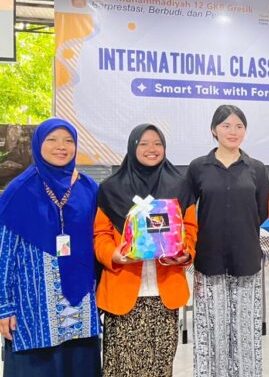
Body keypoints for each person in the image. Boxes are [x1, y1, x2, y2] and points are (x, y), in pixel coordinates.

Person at [0, 118, 101, 376]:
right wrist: (4, 307)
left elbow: (101, 238)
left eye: (68, 140)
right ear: (38, 144)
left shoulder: (88, 188)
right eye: (52, 140)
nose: (61, 147)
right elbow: (4, 254)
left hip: (81, 308)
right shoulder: (18, 191)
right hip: (33, 311)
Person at [95, 124, 197, 376]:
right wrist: (113, 255)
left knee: (160, 367)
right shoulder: (111, 188)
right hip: (123, 292)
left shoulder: (180, 186)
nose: (152, 149)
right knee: (122, 368)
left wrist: (185, 253)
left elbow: (191, 229)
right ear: (132, 147)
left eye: (158, 144)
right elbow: (101, 234)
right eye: (144, 144)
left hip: (165, 295)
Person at [187, 105, 269, 377]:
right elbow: (187, 209)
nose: (232, 131)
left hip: (246, 260)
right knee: (212, 332)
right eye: (226, 125)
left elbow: (261, 212)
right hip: (208, 261)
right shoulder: (198, 167)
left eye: (239, 126)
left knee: (245, 333)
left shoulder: (256, 169)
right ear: (214, 130)